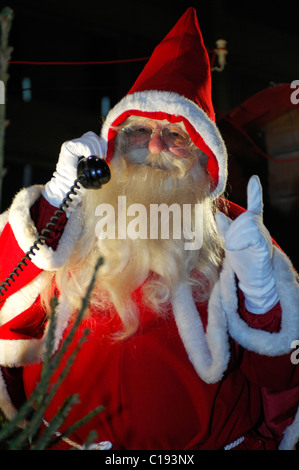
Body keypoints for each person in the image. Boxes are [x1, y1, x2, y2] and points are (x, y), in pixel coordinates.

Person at [0, 7, 298, 451]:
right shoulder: (69, 212)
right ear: (112, 144)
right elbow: (6, 301)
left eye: (176, 135)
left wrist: (262, 293)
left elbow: (283, 373)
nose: (156, 145)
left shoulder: (240, 233)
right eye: (140, 131)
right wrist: (56, 203)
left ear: (203, 156)